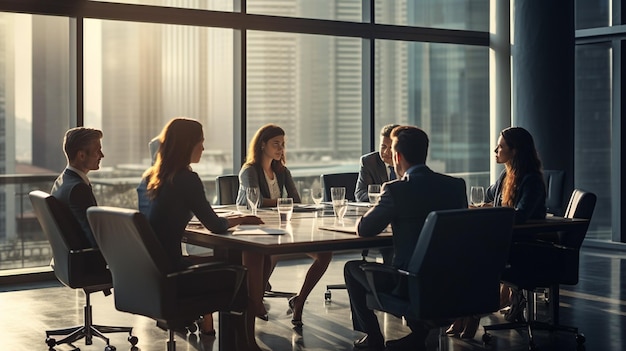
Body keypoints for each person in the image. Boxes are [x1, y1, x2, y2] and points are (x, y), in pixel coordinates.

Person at [139, 117, 264, 349]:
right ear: (188, 145)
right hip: (173, 274)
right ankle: (244, 344)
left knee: (217, 262)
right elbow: (215, 225)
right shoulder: (186, 179)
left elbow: (159, 219)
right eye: (201, 142)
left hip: (151, 271)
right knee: (240, 274)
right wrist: (243, 218)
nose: (204, 148)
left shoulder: (150, 178)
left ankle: (210, 325)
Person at [344, 125, 468, 351]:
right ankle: (419, 336)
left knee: (352, 268)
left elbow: (365, 229)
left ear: (397, 156)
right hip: (452, 283)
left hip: (410, 285)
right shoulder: (455, 186)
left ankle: (373, 338)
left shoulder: (395, 190)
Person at [446, 126, 547, 338]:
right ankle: (462, 315)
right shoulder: (506, 175)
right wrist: (481, 206)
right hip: (504, 241)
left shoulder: (531, 179)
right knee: (461, 257)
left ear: (515, 150)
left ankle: (471, 316)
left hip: (523, 247)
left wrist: (490, 208)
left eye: (500, 146)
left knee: (473, 261)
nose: (495, 150)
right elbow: (490, 197)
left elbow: (521, 214)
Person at [236, 124, 332, 327]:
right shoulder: (249, 170)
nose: (280, 149)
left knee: (324, 255)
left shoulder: (282, 171)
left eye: (283, 144)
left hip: (283, 228)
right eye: (276, 144)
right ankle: (255, 302)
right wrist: (284, 203)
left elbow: (295, 200)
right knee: (272, 253)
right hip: (256, 229)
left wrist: (287, 205)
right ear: (263, 145)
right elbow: (257, 202)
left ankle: (299, 301)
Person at [51, 127, 104, 247]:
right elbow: (95, 239)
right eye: (97, 151)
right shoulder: (78, 189)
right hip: (87, 261)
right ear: (81, 155)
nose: (102, 155)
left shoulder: (61, 181)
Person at [354, 124, 400, 202]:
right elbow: (360, 194)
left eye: (391, 147)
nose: (386, 152)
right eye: (383, 146)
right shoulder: (369, 162)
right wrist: (385, 197)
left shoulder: (407, 161)